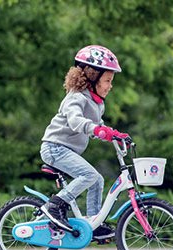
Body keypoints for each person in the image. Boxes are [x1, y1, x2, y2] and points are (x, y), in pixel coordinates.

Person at [40, 45, 129, 239]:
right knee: (89, 175)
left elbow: (98, 127)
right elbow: (76, 122)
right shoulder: (76, 98)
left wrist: (113, 134)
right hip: (54, 147)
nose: (110, 85)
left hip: (65, 150)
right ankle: (55, 205)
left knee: (96, 179)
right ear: (93, 76)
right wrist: (97, 129)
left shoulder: (97, 103)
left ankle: (93, 222)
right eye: (107, 80)